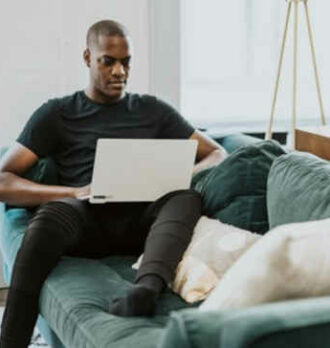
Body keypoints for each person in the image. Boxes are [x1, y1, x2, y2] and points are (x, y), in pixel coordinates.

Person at [0, 20, 227, 347]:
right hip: (85, 218)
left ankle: (146, 289)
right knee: (49, 216)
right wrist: (73, 192)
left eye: (127, 62)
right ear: (87, 58)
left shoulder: (152, 110)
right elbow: (4, 179)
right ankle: (11, 340)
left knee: (185, 197)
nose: (119, 71)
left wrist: (180, 175)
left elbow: (217, 153)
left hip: (143, 223)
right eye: (109, 61)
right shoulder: (57, 113)